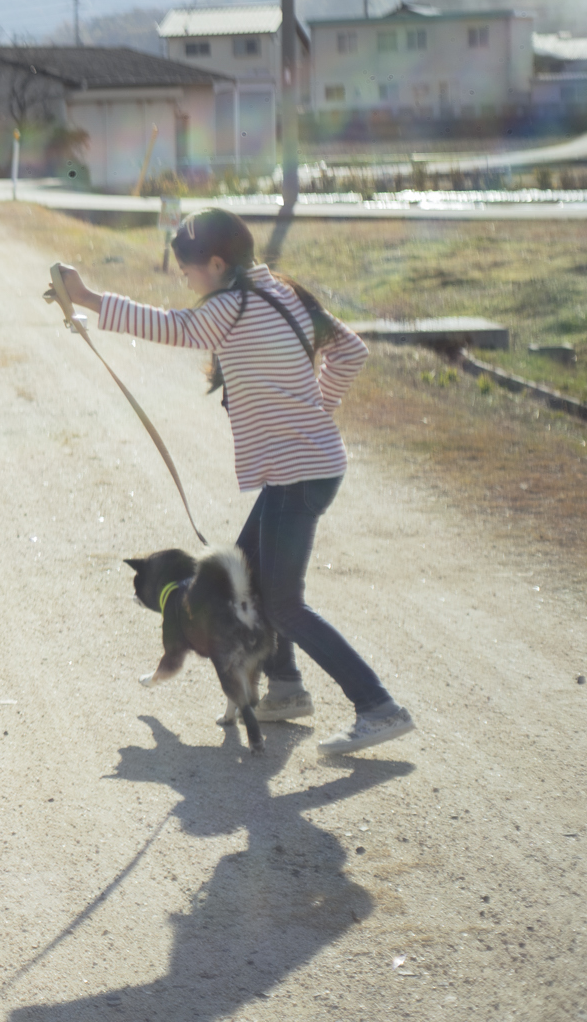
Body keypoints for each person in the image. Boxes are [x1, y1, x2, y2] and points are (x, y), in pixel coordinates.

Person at [55, 208, 417, 757]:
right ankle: (288, 689)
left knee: (285, 604)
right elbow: (351, 350)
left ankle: (377, 706)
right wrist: (319, 406)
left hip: (298, 472)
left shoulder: (231, 305)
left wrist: (88, 298)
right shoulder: (281, 292)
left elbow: (171, 326)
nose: (185, 280)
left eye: (187, 270)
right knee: (243, 579)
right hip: (302, 468)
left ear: (217, 264)